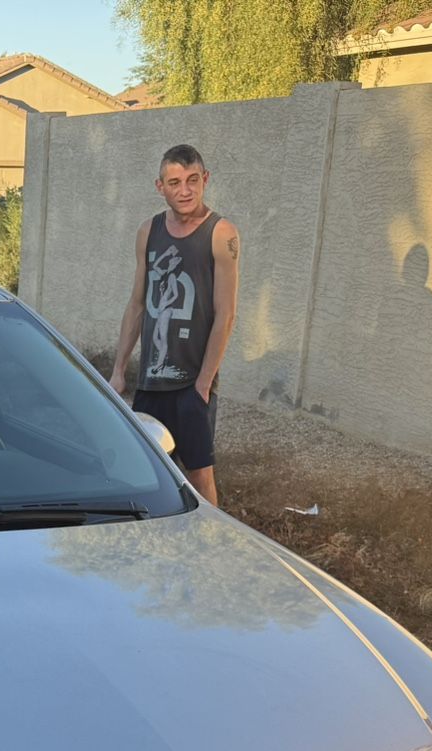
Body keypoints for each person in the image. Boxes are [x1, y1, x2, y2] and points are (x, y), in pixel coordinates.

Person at [108, 144, 240, 506]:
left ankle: (209, 548)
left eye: (193, 180)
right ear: (160, 186)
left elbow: (225, 314)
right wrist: (119, 371)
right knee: (145, 473)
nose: (185, 190)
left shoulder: (220, 233)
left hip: (192, 384)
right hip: (151, 381)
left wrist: (203, 384)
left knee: (198, 477)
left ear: (205, 180)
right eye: (175, 182)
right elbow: (137, 304)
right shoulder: (148, 232)